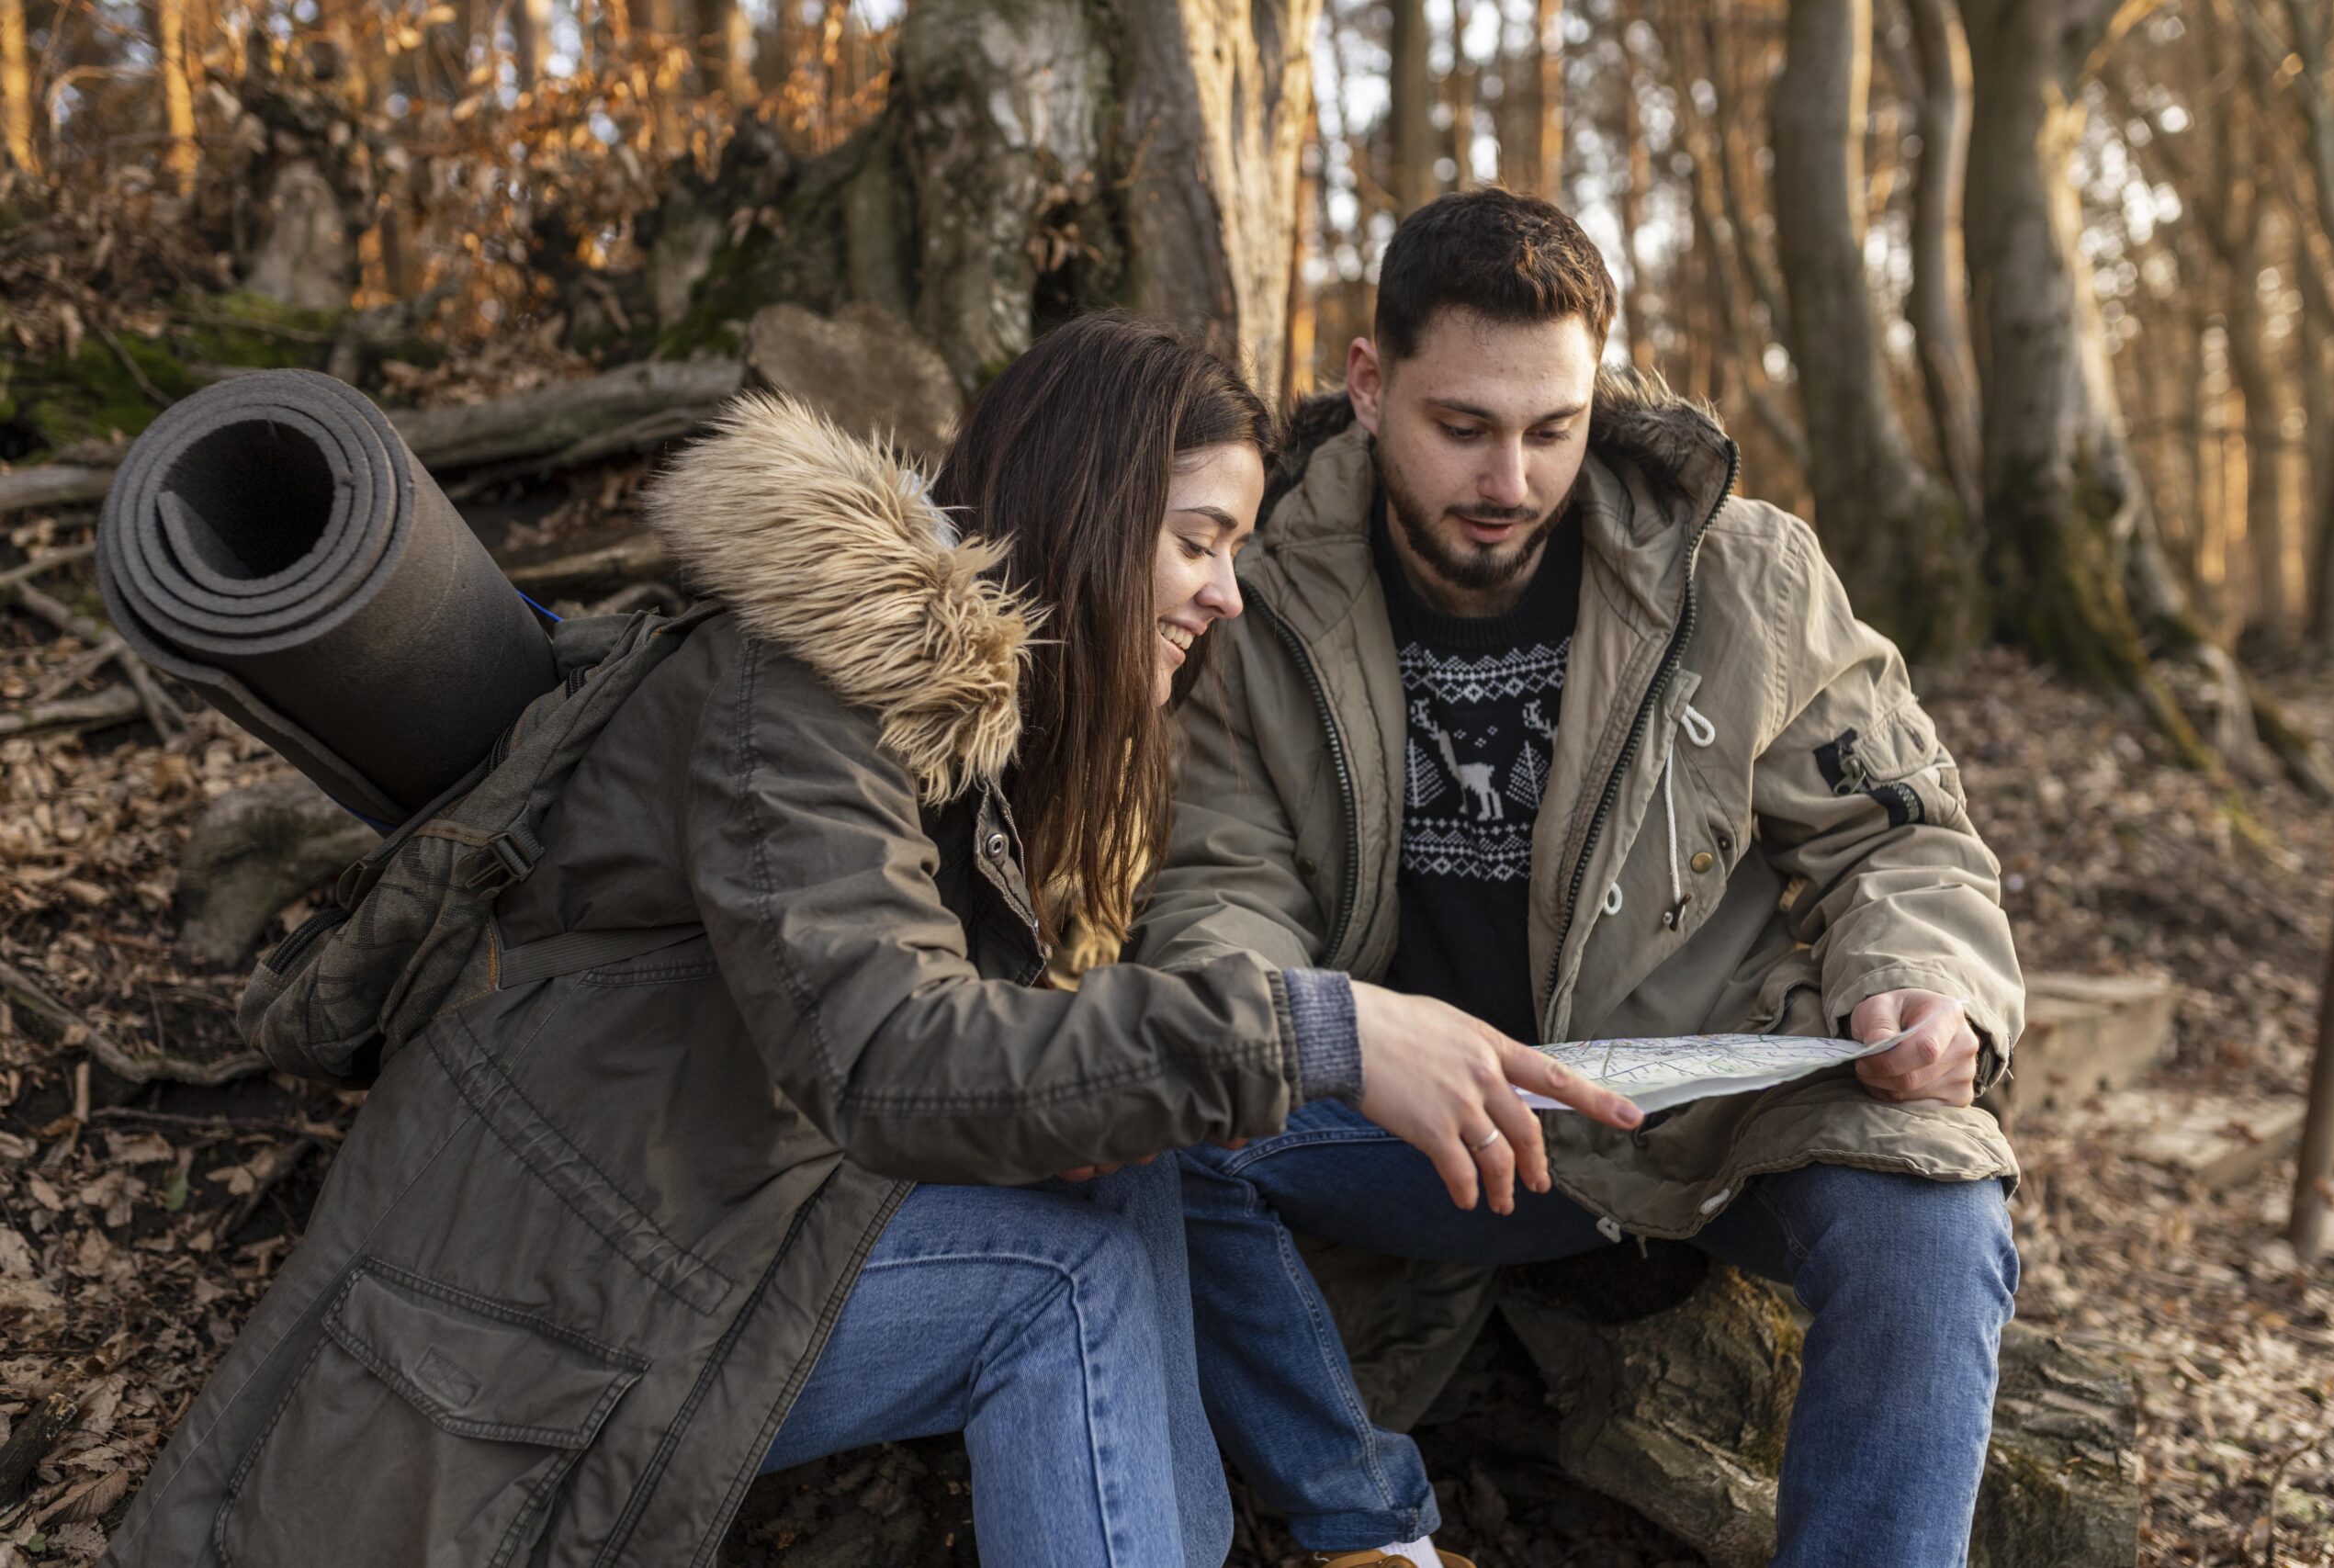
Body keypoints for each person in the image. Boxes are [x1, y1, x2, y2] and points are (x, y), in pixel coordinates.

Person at [102, 311, 1643, 1568]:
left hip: (726, 1219)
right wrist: (1328, 1029)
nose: (1226, 593)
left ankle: (1368, 1538)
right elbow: (887, 1056)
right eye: (1198, 540)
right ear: (1093, 515)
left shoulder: (979, 747)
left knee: (1136, 1167)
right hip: (560, 1286)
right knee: (1061, 1279)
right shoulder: (801, 689)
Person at [1129, 191, 2026, 1568]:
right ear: (1370, 385)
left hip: (1719, 1110)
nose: (1511, 479)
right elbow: (1219, 889)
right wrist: (1326, 1035)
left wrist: (1925, 983)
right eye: (1465, 428)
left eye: (1554, 428)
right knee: (1154, 1112)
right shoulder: (1261, 602)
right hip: (1428, 1115)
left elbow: (1894, 833)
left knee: (1937, 1210)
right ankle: (1373, 1532)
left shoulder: (1743, 574)